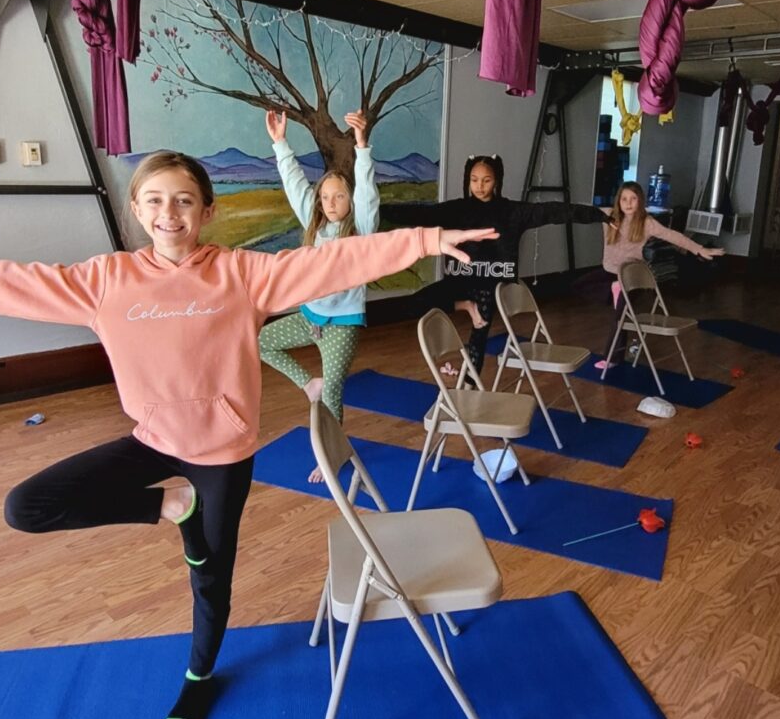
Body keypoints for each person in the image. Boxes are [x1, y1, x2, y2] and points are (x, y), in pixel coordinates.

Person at [0, 150, 496, 719]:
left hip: (223, 452)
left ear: (206, 209)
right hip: (153, 441)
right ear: (135, 209)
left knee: (210, 577)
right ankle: (170, 507)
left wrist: (425, 239)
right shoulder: (105, 282)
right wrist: (159, 501)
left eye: (183, 200)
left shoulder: (242, 274)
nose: (168, 213)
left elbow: (333, 261)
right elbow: (14, 283)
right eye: (154, 200)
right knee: (25, 507)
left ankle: (199, 676)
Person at [381, 154, 609, 377]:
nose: (479, 186)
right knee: (415, 303)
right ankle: (464, 305)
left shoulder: (513, 212)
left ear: (497, 181)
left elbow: (554, 211)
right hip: (460, 282)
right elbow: (419, 213)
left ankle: (470, 382)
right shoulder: (456, 209)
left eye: (486, 180)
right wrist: (376, 210)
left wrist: (599, 214)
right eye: (474, 180)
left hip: (495, 285)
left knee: (480, 326)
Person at [259, 109, 377, 482]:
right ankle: (309, 383)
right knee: (260, 341)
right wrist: (280, 143)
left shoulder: (359, 232)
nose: (330, 201)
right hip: (310, 318)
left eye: (338, 195)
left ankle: (331, 457)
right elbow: (295, 184)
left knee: (333, 396)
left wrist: (362, 146)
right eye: (325, 196)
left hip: (342, 326)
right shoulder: (315, 227)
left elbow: (369, 194)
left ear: (349, 200)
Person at [597, 180, 724, 368]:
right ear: (618, 201)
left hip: (631, 276)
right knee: (579, 285)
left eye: (633, 198)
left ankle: (613, 359)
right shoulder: (609, 216)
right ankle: (613, 290)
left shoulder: (646, 223)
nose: (628, 203)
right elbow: (583, 212)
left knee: (620, 316)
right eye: (624, 199)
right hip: (609, 272)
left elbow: (672, 235)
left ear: (640, 201)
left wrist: (699, 249)